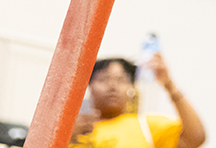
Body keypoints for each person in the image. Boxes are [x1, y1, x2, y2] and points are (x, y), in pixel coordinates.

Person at [66, 56, 206, 148]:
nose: (112, 86)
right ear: (90, 85)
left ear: (131, 88)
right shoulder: (74, 130)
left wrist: (168, 84)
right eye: (104, 79)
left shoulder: (146, 126)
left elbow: (195, 138)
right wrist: (65, 135)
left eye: (121, 80)